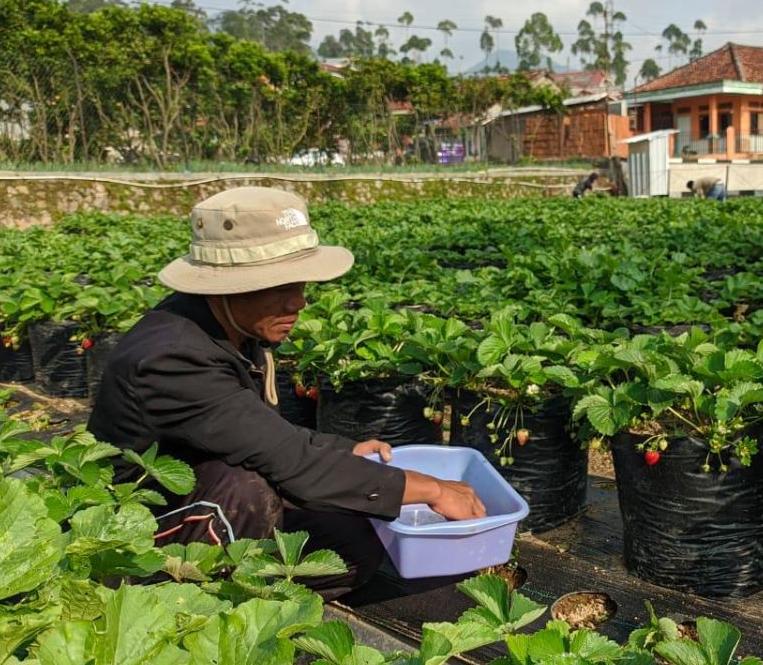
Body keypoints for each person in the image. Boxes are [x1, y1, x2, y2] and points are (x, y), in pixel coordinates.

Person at [88, 187, 485, 600]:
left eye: (299, 283)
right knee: (246, 491)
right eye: (277, 286)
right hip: (134, 535)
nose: (298, 301)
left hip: (195, 488)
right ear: (226, 285)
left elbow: (260, 433)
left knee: (352, 541)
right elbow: (288, 462)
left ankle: (263, 599)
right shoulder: (171, 358)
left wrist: (342, 452)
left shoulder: (229, 327)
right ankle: (185, 609)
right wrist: (434, 490)